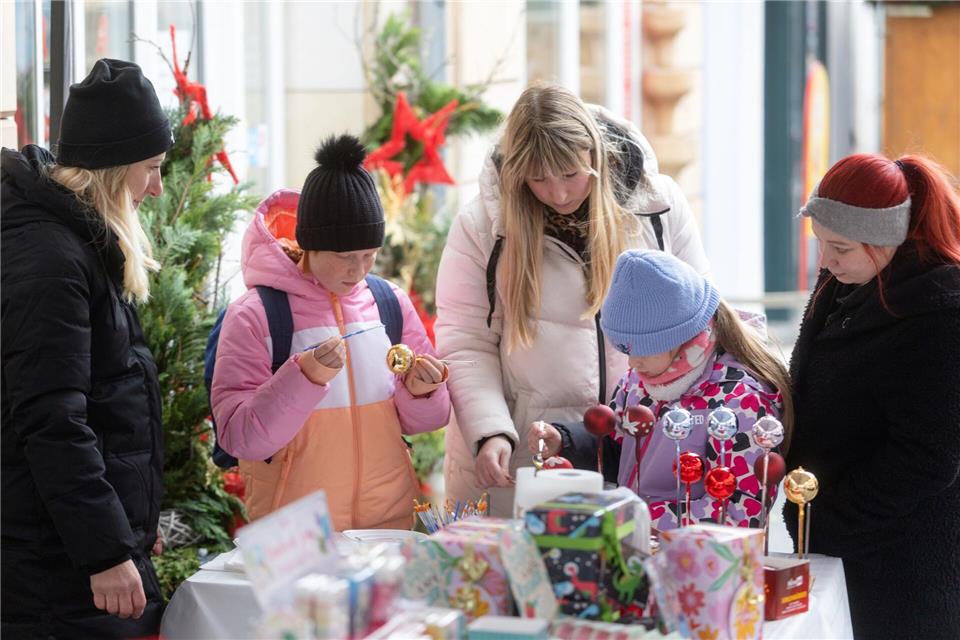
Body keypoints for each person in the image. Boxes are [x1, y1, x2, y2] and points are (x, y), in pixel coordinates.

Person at [435, 83, 711, 516]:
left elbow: (701, 321)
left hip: (640, 449)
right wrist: (489, 432)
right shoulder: (482, 227)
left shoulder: (658, 207)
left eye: (570, 174)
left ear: (595, 156)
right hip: (527, 458)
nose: (559, 193)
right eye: (539, 179)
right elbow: (465, 342)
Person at [2, 59, 172, 638]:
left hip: (70, 558)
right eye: (150, 168)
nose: (157, 187)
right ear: (113, 166)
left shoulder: (80, 240)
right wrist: (105, 553)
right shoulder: (51, 261)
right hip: (54, 575)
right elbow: (53, 421)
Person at [211, 134, 450, 530]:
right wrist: (305, 377)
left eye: (368, 256)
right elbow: (240, 438)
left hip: (387, 526)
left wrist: (424, 391)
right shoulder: (256, 315)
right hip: (297, 536)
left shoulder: (388, 302)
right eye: (343, 257)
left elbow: (427, 420)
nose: (357, 271)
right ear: (310, 244)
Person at [785, 153, 960, 638]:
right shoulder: (849, 280)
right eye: (819, 244)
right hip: (845, 546)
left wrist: (833, 519)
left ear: (887, 241)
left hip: (903, 567)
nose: (825, 260)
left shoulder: (939, 315)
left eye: (838, 246)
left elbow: (928, 457)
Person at [530, 250, 791, 530]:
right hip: (639, 551)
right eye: (624, 349)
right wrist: (566, 441)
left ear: (682, 335)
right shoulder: (642, 380)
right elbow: (621, 449)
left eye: (643, 349)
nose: (632, 362)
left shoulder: (739, 402)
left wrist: (631, 519)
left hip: (705, 562)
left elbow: (740, 511)